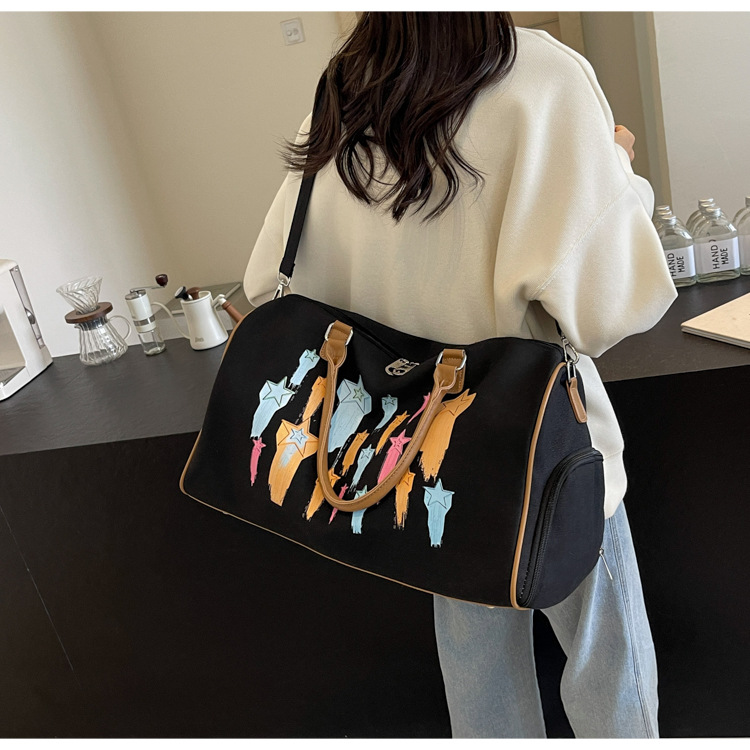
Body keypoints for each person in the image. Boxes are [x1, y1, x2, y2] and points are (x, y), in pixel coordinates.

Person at [243, 12, 677, 739]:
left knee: (479, 677)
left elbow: (271, 281)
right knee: (608, 664)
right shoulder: (541, 76)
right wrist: (620, 171)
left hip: (415, 451)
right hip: (544, 440)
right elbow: (611, 304)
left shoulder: (345, 88)